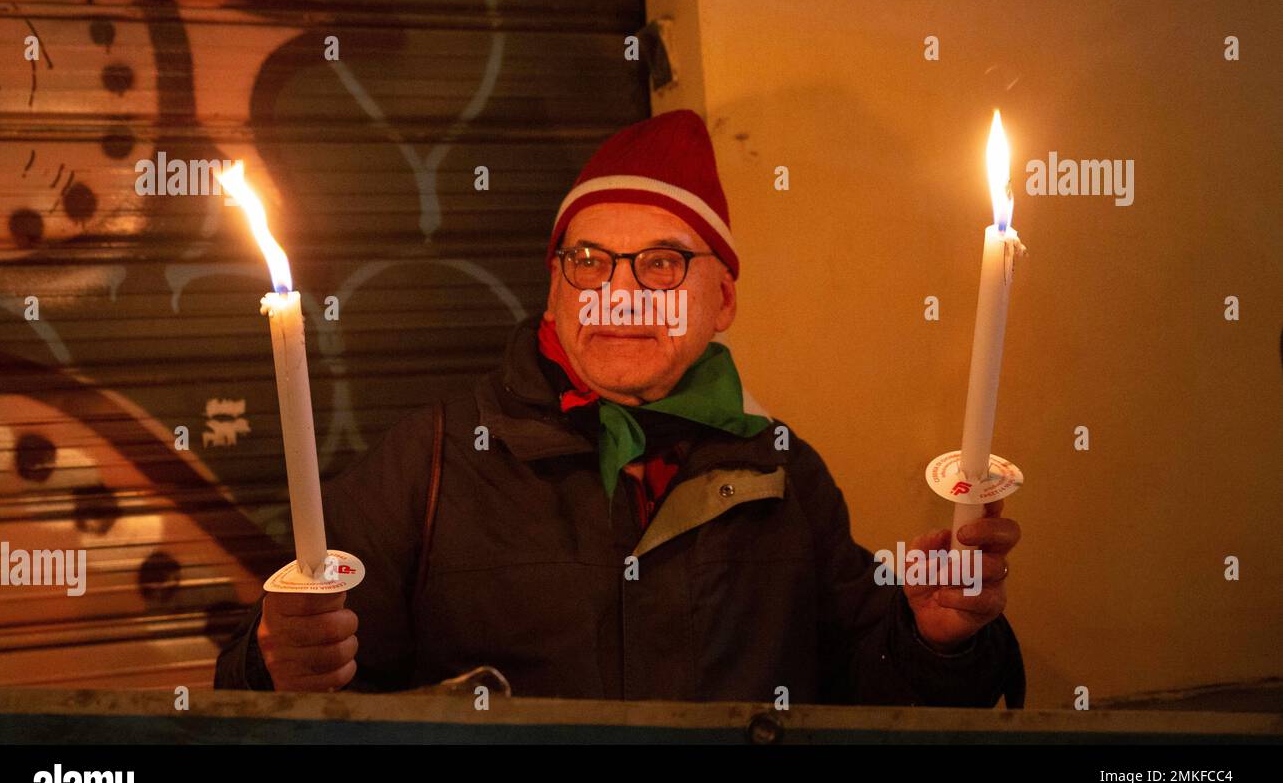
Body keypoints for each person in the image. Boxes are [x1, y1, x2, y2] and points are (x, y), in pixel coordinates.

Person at [215, 109, 1025, 705]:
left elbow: (870, 695)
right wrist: (272, 665)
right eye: (590, 260)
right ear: (555, 286)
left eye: (663, 264)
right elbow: (268, 687)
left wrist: (934, 641)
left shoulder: (782, 473)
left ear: (724, 299)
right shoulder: (432, 460)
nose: (620, 295)